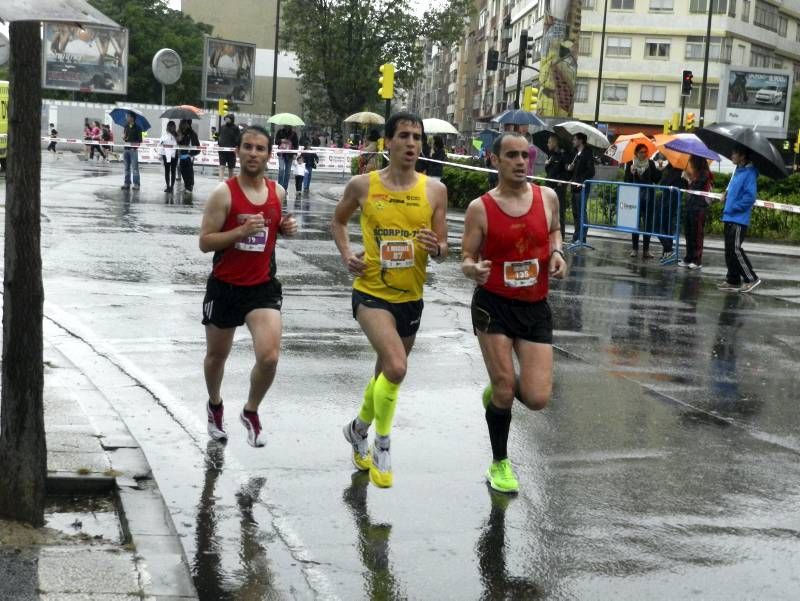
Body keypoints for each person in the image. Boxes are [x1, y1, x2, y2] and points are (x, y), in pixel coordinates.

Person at [330, 111, 448, 489]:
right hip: (370, 294)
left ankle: (357, 429)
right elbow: (338, 221)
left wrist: (438, 246)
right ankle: (382, 443)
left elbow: (444, 246)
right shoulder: (363, 185)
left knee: (384, 375)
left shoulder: (435, 190)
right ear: (389, 141)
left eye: (417, 137)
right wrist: (347, 254)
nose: (412, 143)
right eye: (404, 136)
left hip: (411, 297)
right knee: (396, 368)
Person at [461, 132, 567, 494]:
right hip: (494, 306)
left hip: (535, 307)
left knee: (537, 399)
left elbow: (554, 231)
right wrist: (472, 270)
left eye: (525, 155)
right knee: (506, 388)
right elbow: (466, 258)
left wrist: (557, 253)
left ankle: (496, 393)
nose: (521, 162)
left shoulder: (547, 197)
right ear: (495, 160)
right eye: (512, 155)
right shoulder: (481, 208)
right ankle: (500, 463)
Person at [199, 125, 298, 447]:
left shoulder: (278, 192)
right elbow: (205, 242)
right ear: (238, 152)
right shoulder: (223, 193)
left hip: (262, 287)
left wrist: (285, 228)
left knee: (269, 357)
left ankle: (251, 410)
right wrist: (239, 234)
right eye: (248, 147)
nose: (253, 153)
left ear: (269, 155)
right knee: (217, 356)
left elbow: (274, 228)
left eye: (260, 148)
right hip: (225, 286)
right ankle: (215, 406)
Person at [718, 145, 760, 293]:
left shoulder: (749, 173)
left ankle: (751, 278)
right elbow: (735, 190)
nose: (732, 155)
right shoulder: (738, 171)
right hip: (729, 216)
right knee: (729, 251)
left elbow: (750, 197)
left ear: (742, 156)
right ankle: (733, 279)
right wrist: (726, 193)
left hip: (738, 219)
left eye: (734, 153)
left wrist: (733, 207)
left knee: (735, 250)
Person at [623, 143, 659, 258]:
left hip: (648, 197)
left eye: (645, 152)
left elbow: (656, 179)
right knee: (635, 223)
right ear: (636, 153)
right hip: (635, 197)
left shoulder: (651, 163)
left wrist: (659, 169)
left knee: (647, 223)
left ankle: (646, 250)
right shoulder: (630, 164)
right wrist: (631, 172)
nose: (644, 154)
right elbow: (626, 181)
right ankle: (634, 249)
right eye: (641, 152)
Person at [679, 155, 712, 269]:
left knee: (697, 234)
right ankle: (689, 257)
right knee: (688, 233)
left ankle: (697, 259)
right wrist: (686, 179)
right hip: (690, 206)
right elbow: (688, 188)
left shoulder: (705, 173)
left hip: (699, 207)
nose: (691, 164)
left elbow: (696, 187)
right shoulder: (695, 173)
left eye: (692, 162)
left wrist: (688, 178)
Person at [565, 133, 594, 243]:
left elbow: (591, 171)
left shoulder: (587, 153)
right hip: (574, 186)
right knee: (576, 212)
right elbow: (572, 169)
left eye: (575, 139)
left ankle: (582, 237)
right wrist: (570, 168)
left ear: (581, 141)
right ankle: (576, 236)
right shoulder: (575, 153)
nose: (573, 141)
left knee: (582, 211)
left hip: (582, 186)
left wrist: (581, 181)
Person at [656, 162, 687, 260]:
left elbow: (664, 183)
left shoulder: (678, 170)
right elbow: (661, 182)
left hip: (668, 203)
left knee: (658, 226)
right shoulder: (671, 168)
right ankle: (667, 252)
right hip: (667, 202)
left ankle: (668, 250)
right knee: (666, 227)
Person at [544, 134, 569, 239]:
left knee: (559, 212)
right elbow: (550, 172)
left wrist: (562, 181)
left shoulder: (563, 155)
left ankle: (561, 237)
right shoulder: (551, 155)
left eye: (550, 142)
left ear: (555, 143)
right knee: (547, 211)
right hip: (549, 187)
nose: (548, 144)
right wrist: (547, 165)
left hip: (558, 188)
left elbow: (567, 172)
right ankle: (548, 234)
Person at [177, 119, 200, 194]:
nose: (182, 125)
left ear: (188, 124)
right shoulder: (181, 132)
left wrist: (191, 154)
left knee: (189, 171)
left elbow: (196, 146)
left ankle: (190, 187)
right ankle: (186, 186)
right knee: (183, 170)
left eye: (184, 123)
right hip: (182, 155)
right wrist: (179, 139)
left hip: (189, 155)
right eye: (181, 123)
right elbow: (179, 143)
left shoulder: (192, 133)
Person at [121, 112, 142, 190]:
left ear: (132, 118)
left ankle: (136, 184)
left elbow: (140, 140)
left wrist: (135, 147)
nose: (126, 118)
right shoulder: (126, 126)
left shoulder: (138, 128)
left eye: (128, 116)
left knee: (135, 168)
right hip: (126, 149)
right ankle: (127, 183)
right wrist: (123, 137)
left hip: (133, 150)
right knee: (126, 167)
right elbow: (125, 138)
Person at [218, 113, 240, 181]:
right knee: (222, 166)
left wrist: (236, 146)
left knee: (231, 168)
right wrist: (219, 143)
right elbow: (219, 136)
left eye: (228, 118)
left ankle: (230, 182)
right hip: (222, 150)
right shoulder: (222, 127)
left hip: (231, 151)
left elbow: (238, 138)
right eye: (225, 118)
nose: (226, 120)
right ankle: (220, 181)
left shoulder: (236, 128)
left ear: (232, 119)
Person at [275, 125, 298, 190]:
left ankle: (285, 188)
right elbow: (276, 142)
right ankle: (279, 187)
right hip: (281, 154)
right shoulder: (280, 132)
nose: (287, 126)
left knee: (288, 172)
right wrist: (281, 140)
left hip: (290, 155)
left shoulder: (294, 134)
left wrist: (295, 154)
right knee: (281, 169)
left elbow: (296, 144)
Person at [158, 120, 179, 194]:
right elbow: (160, 145)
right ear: (168, 127)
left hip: (174, 155)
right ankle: (168, 186)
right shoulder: (164, 135)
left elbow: (179, 144)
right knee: (167, 171)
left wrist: (176, 137)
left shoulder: (176, 135)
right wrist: (160, 154)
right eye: (172, 126)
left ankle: (172, 187)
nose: (173, 128)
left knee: (173, 171)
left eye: (174, 126)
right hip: (166, 155)